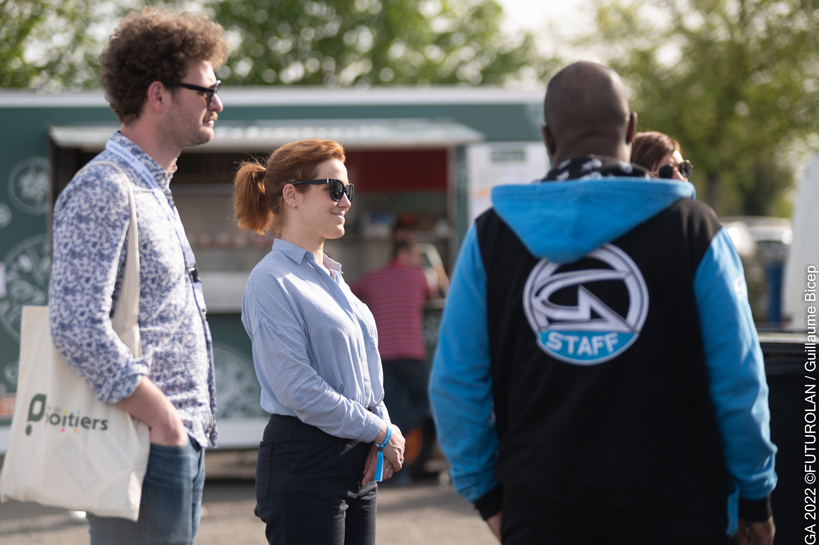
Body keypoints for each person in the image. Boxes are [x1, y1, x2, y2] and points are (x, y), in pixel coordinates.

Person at [429, 61, 777, 545]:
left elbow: (455, 384)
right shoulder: (694, 229)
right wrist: (755, 496)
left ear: (548, 138)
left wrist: (487, 497)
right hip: (679, 513)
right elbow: (738, 380)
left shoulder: (492, 236)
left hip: (541, 516)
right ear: (631, 129)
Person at [48, 8, 228, 544]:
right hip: (142, 444)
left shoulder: (149, 187)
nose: (217, 103)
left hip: (169, 442)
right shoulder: (106, 187)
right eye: (206, 90)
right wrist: (163, 419)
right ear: (158, 95)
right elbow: (76, 325)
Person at [234, 139, 406, 545]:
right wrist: (380, 431)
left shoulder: (333, 278)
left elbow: (365, 376)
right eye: (334, 189)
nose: (345, 201)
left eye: (348, 190)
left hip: (357, 455)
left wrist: (379, 427)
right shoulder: (271, 280)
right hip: (306, 459)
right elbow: (298, 389)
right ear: (291, 195)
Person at [352, 237, 436, 483]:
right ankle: (398, 434)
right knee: (426, 404)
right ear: (402, 254)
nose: (419, 258)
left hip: (382, 357)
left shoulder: (372, 278)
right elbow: (437, 292)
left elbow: (346, 293)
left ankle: (400, 466)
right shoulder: (419, 276)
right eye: (415, 253)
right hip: (411, 353)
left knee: (392, 411)